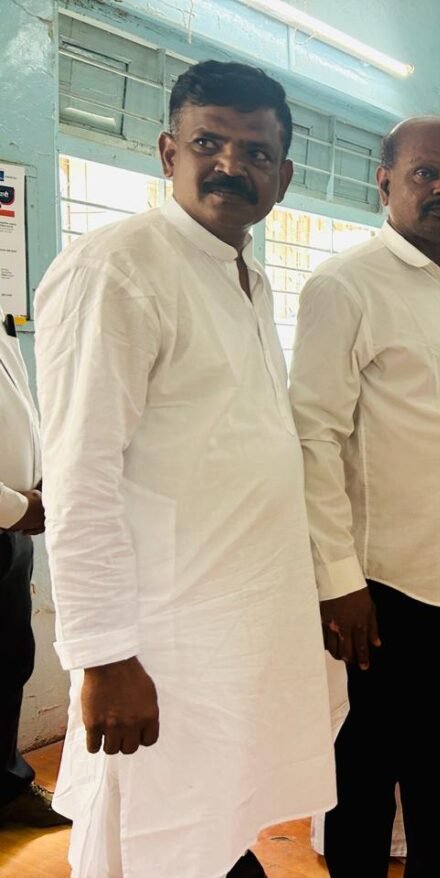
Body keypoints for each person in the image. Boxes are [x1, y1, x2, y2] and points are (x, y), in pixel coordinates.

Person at [35, 60, 334, 877]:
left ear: (283, 176)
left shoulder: (245, 272)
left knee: (216, 828)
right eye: (209, 143)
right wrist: (103, 655)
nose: (231, 165)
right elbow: (80, 477)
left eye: (256, 152)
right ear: (169, 152)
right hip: (160, 643)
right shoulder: (118, 268)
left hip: (232, 630)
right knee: (156, 840)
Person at [290, 115, 440, 878]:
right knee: (364, 773)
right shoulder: (346, 285)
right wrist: (337, 581)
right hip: (383, 590)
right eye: (426, 173)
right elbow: (313, 438)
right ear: (383, 181)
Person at [0, 311, 65, 830]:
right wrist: (16, 506)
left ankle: (6, 787)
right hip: (11, 514)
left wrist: (38, 477)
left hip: (11, 529)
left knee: (9, 660)